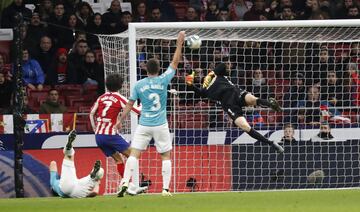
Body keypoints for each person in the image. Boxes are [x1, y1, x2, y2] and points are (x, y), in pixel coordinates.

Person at [116, 31, 186, 197]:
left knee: (134, 154)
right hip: (160, 124)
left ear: (145, 68)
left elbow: (130, 104)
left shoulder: (139, 85)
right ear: (159, 69)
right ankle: (165, 189)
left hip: (144, 124)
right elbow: (175, 62)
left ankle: (125, 181)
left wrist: (120, 119)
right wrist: (179, 44)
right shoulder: (164, 79)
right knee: (165, 156)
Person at [186, 62, 284, 153]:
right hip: (229, 105)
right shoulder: (204, 90)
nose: (199, 75)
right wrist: (190, 84)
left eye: (200, 72)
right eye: (197, 74)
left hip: (235, 92)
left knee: (252, 99)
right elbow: (197, 92)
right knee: (244, 126)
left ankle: (271, 104)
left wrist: (208, 74)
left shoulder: (217, 74)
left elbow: (223, 65)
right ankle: (270, 143)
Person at [89, 74, 146, 195]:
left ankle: (129, 185)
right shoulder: (119, 97)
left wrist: (95, 128)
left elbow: (91, 113)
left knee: (119, 160)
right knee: (134, 154)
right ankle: (125, 184)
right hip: (110, 135)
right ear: (120, 85)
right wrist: (145, 101)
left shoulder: (101, 97)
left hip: (99, 136)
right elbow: (137, 111)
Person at [49, 130, 105, 198]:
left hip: (73, 190)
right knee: (70, 155)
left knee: (89, 180)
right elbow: (53, 163)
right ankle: (69, 149)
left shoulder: (54, 184)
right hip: (71, 188)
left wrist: (86, 194)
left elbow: (94, 193)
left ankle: (93, 176)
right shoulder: (54, 183)